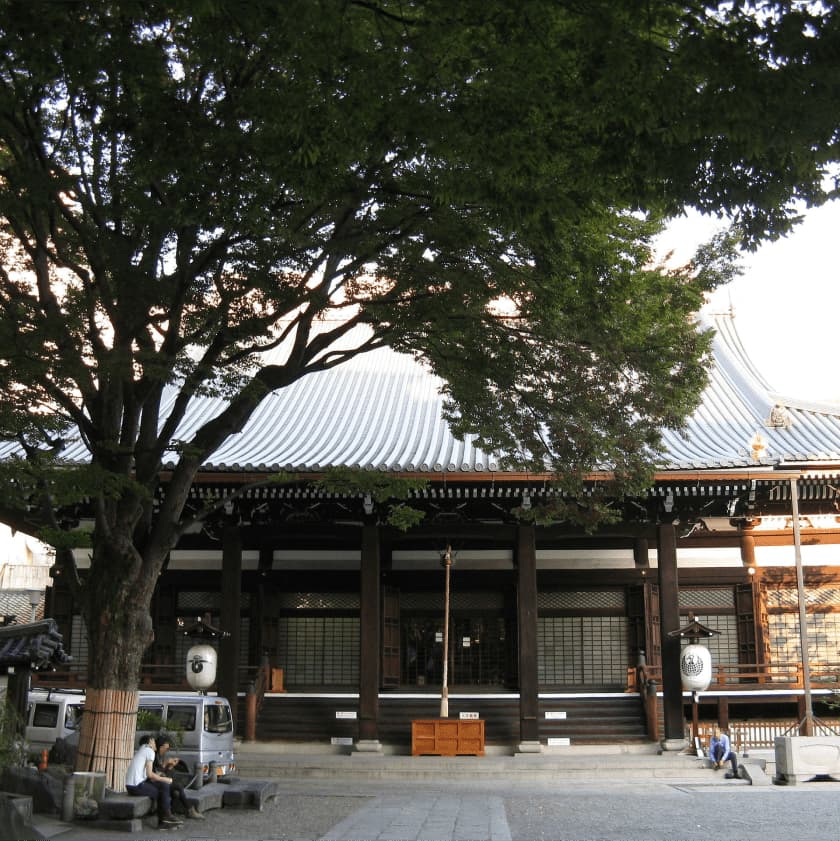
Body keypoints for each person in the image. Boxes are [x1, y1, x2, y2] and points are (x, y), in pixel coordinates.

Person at [125, 734, 182, 828]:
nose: (156, 743)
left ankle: (164, 819)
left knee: (161, 787)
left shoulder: (143, 750)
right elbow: (150, 774)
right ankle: (165, 818)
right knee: (163, 787)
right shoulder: (149, 751)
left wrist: (161, 778)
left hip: (131, 785)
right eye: (154, 742)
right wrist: (166, 779)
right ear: (150, 741)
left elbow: (149, 774)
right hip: (136, 786)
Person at [155, 734, 204, 820]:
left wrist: (170, 767)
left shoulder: (160, 756)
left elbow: (164, 775)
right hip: (154, 781)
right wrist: (165, 764)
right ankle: (189, 810)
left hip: (161, 780)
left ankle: (187, 810)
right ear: (161, 747)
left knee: (177, 788)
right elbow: (157, 774)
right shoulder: (154, 756)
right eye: (166, 749)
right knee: (177, 787)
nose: (166, 751)